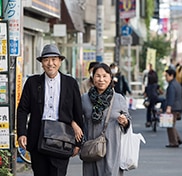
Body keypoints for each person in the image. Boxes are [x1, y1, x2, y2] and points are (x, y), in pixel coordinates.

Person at [17, 44, 84, 176]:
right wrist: (22, 133)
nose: (50, 64)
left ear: (60, 61)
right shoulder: (32, 82)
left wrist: (78, 143)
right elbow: (23, 110)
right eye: (46, 60)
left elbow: (77, 111)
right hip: (37, 138)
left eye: (54, 59)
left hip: (62, 138)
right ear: (41, 63)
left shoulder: (70, 83)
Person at [81, 63, 131, 176]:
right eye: (98, 76)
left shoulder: (118, 98)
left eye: (105, 76)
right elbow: (78, 121)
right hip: (91, 148)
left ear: (110, 78)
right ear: (93, 78)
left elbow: (128, 120)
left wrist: (124, 122)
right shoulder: (84, 99)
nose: (101, 79)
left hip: (112, 148)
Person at [164, 69, 182, 148]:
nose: (165, 78)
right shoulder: (177, 84)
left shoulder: (171, 85)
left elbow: (171, 97)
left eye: (166, 76)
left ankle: (173, 142)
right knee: (172, 124)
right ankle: (178, 139)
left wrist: (168, 107)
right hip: (178, 107)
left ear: (171, 75)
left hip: (173, 107)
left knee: (170, 125)